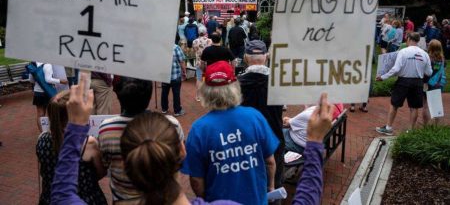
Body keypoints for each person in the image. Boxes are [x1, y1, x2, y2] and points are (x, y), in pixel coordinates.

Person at [51, 74, 334, 205]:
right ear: (181, 150)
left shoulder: (104, 132)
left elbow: (63, 194)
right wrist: (315, 142)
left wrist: (75, 126)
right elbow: (305, 198)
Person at [181, 61, 279, 205]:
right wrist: (270, 187)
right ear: (234, 88)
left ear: (206, 92)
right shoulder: (254, 117)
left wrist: (206, 200)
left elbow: (196, 178)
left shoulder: (199, 129)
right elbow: (270, 161)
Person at [99, 77, 184, 203]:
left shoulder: (106, 128)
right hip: (163, 199)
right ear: (149, 95)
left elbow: (104, 163)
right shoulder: (171, 124)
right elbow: (179, 158)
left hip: (124, 199)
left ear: (118, 96)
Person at [37, 90, 106, 205]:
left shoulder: (41, 139)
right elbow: (101, 172)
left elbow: (44, 171)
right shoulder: (88, 143)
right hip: (84, 197)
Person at [238, 40, 284, 203]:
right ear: (266, 57)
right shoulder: (278, 82)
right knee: (275, 185)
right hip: (275, 138)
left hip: (246, 143)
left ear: (245, 58)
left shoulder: (237, 84)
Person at [376, 32, 432, 135]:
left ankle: (388, 128)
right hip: (418, 82)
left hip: (403, 81)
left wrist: (383, 77)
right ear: (418, 40)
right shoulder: (425, 54)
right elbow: (429, 72)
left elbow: (396, 68)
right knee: (414, 107)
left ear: (409, 39)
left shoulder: (403, 52)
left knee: (394, 105)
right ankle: (410, 130)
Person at [29, 62, 68, 131]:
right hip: (48, 92)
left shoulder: (33, 64)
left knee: (40, 114)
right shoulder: (47, 64)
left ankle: (43, 133)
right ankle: (55, 131)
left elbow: (31, 80)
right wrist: (61, 81)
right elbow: (48, 80)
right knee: (53, 112)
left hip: (38, 92)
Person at [422, 39, 446, 125]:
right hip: (437, 84)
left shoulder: (427, 58)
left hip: (427, 83)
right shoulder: (442, 59)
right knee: (436, 105)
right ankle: (437, 126)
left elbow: (425, 72)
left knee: (425, 105)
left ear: (430, 47)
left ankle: (425, 125)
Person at [161, 43, 187, 116]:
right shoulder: (176, 47)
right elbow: (181, 61)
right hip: (175, 75)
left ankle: (164, 108)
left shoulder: (161, 46)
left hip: (164, 74)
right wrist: (184, 71)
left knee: (164, 92)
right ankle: (177, 110)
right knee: (176, 93)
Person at [192, 28, 212, 101]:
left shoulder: (195, 41)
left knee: (199, 79)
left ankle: (198, 96)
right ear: (205, 32)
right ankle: (207, 95)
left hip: (199, 62)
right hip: (208, 62)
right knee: (208, 78)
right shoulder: (210, 41)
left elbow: (194, 50)